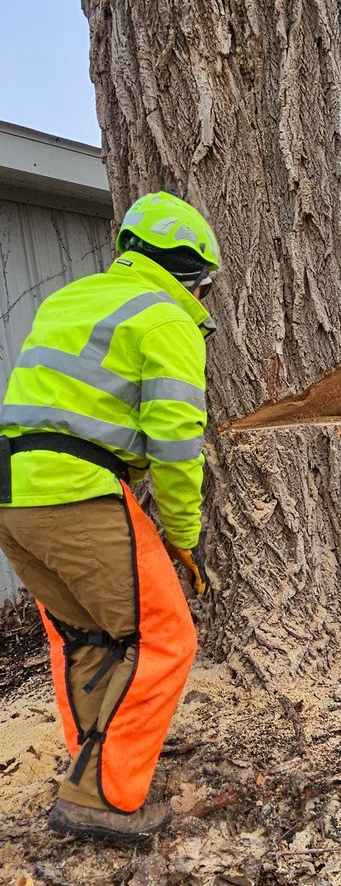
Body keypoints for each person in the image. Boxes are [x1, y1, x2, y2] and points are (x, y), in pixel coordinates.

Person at [0, 192, 219, 844]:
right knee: (165, 637)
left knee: (88, 637)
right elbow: (177, 444)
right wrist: (182, 537)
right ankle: (103, 795)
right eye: (206, 287)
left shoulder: (69, 301)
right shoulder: (166, 319)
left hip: (13, 494)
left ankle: (94, 763)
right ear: (192, 273)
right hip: (78, 492)